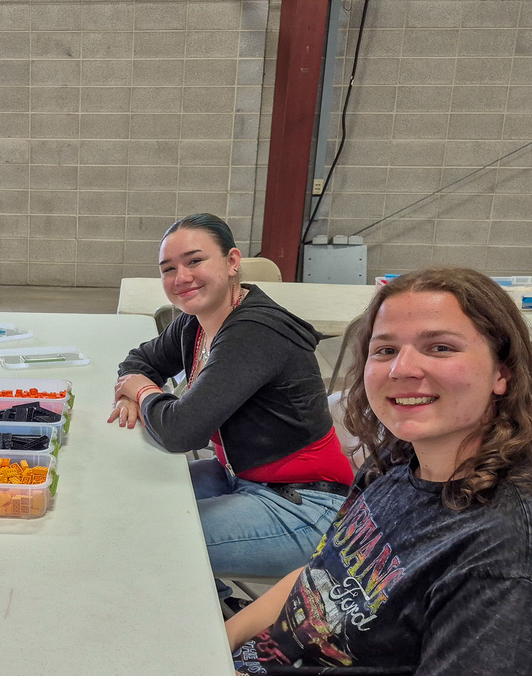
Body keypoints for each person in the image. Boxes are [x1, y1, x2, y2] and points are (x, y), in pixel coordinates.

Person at [13, 266, 532, 676]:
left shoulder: (501, 550)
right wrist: (218, 644)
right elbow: (317, 577)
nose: (404, 369)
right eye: (385, 350)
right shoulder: (407, 463)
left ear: (504, 371)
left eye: (440, 347)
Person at [110, 213, 353, 581]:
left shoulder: (254, 331)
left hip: (304, 504)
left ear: (232, 261)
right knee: (123, 503)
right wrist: (130, 392)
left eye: (195, 261)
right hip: (239, 475)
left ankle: (214, 612)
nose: (181, 278)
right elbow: (138, 361)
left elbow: (181, 432)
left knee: (145, 538)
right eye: (168, 269)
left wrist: (141, 391)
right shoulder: (197, 319)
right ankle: (219, 599)